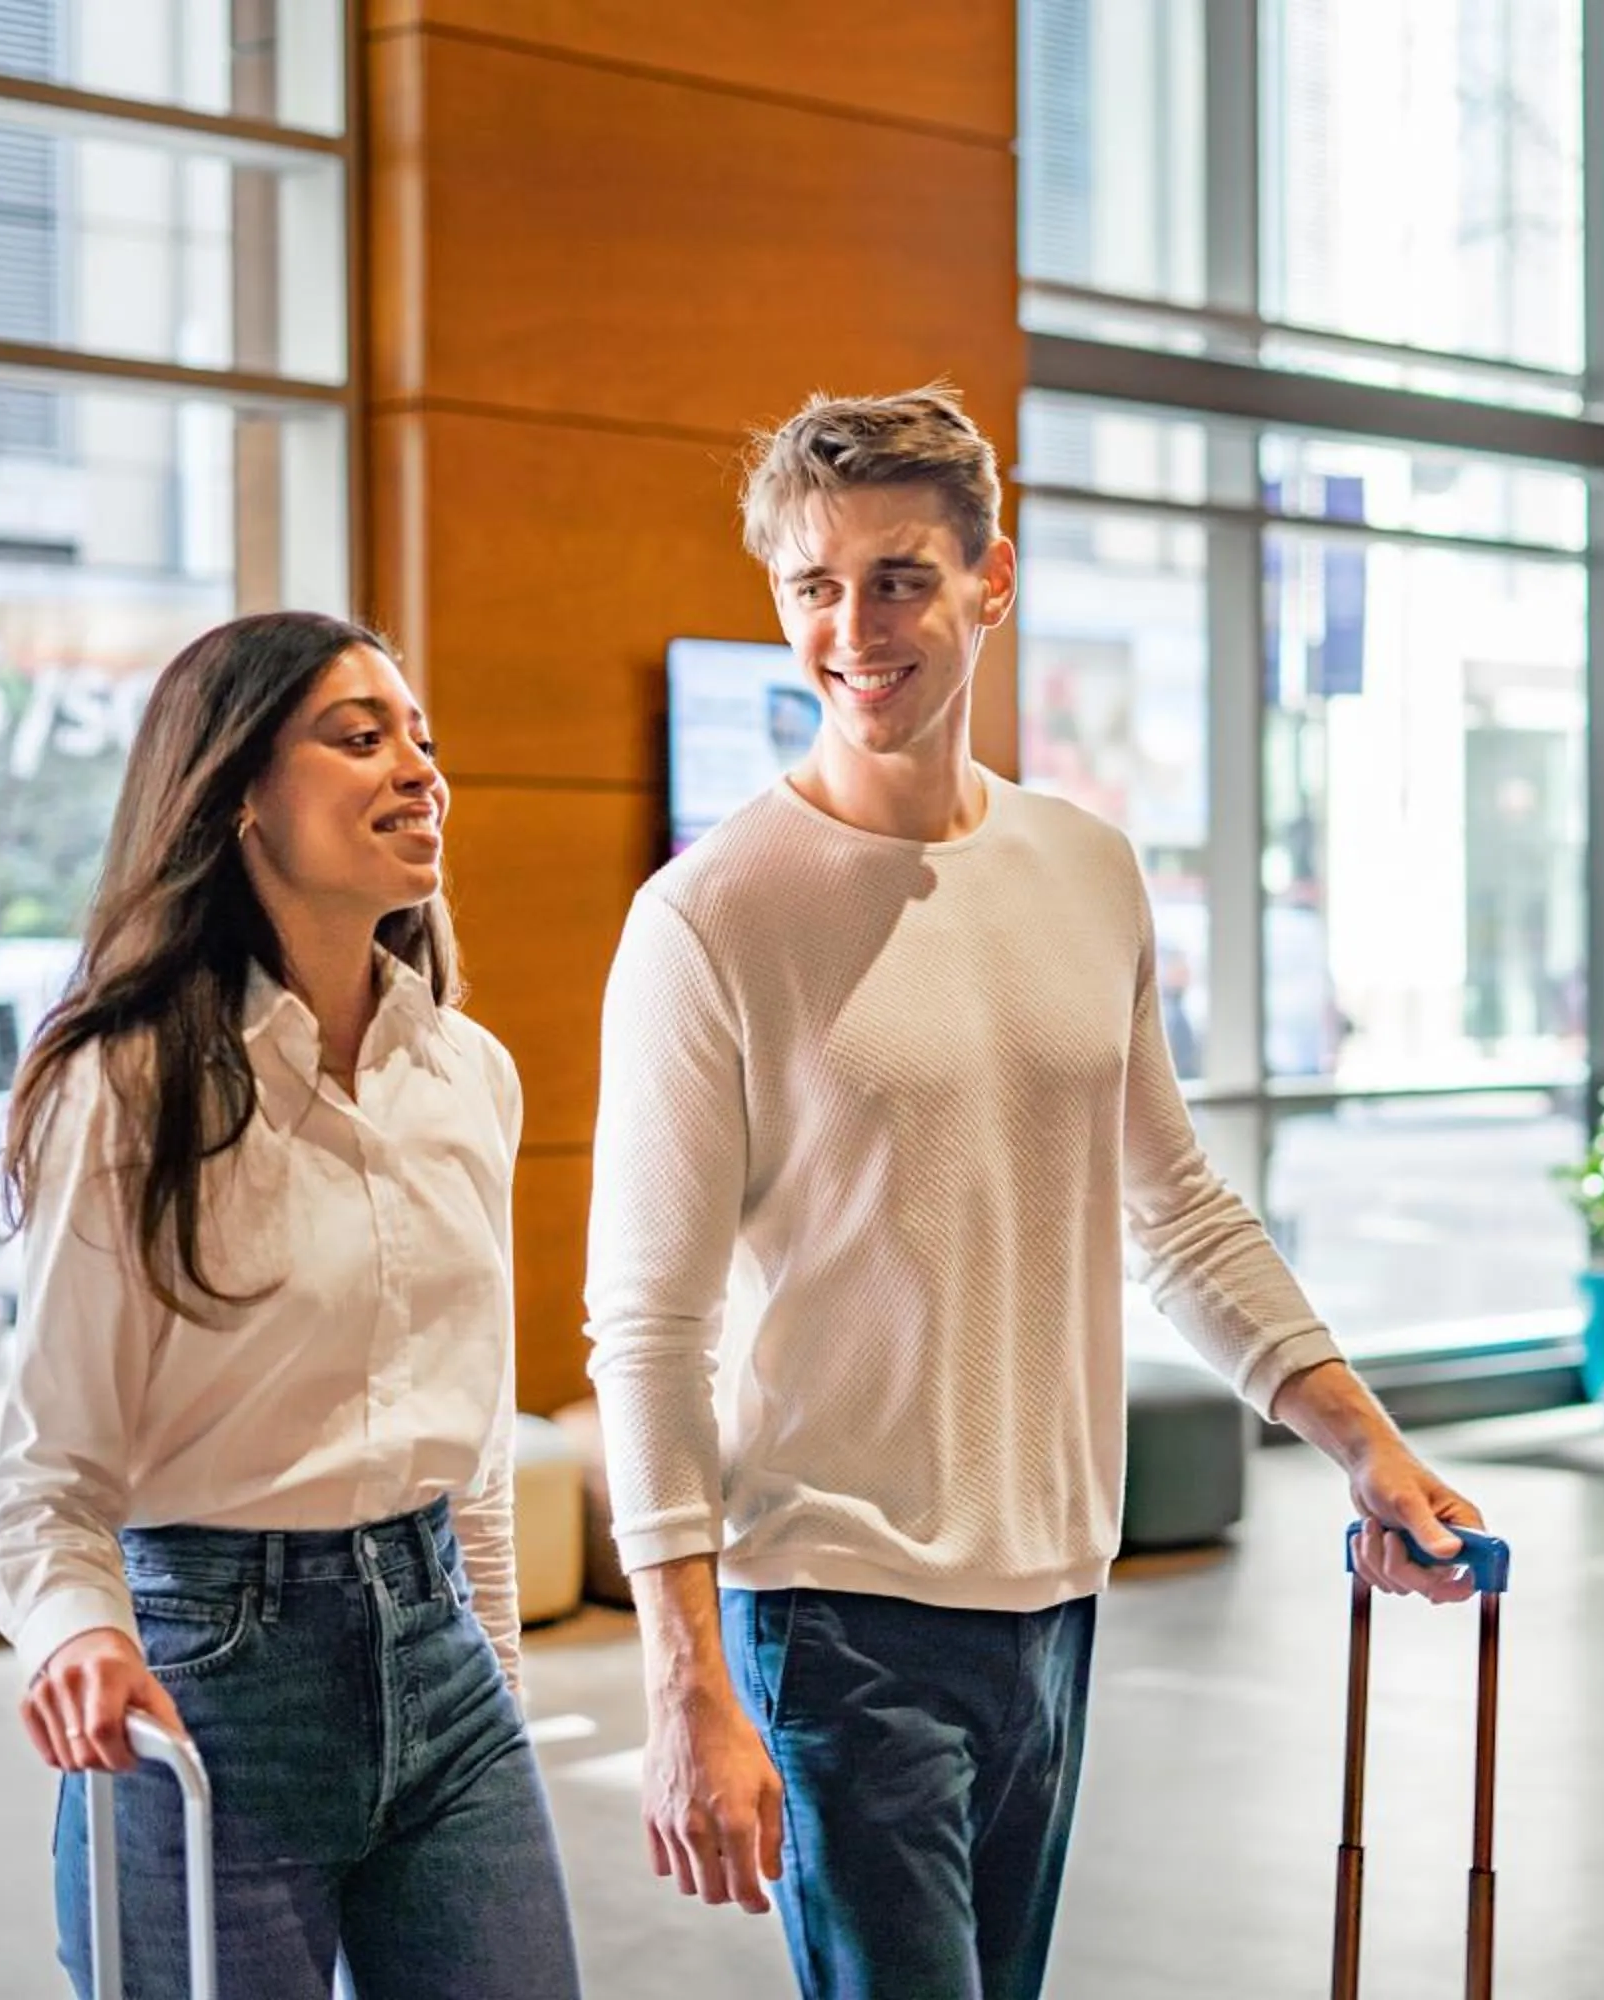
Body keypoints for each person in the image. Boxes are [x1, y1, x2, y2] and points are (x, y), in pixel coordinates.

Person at [583, 386, 1487, 2000]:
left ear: (991, 581)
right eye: (813, 586)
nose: (853, 629)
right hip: (836, 1613)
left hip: (1060, 1594)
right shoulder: (708, 919)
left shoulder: (1089, 869)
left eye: (899, 579)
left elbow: (1181, 1212)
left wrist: (1367, 1445)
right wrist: (682, 1681)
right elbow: (647, 1328)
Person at [0, 611, 581, 2000]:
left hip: (444, 1671)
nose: (419, 771)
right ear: (238, 792)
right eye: (360, 739)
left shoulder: (467, 1074)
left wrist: (498, 1690)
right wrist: (82, 1635)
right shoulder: (126, 1088)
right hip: (210, 1686)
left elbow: (473, 1446)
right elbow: (46, 1481)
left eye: (422, 740)